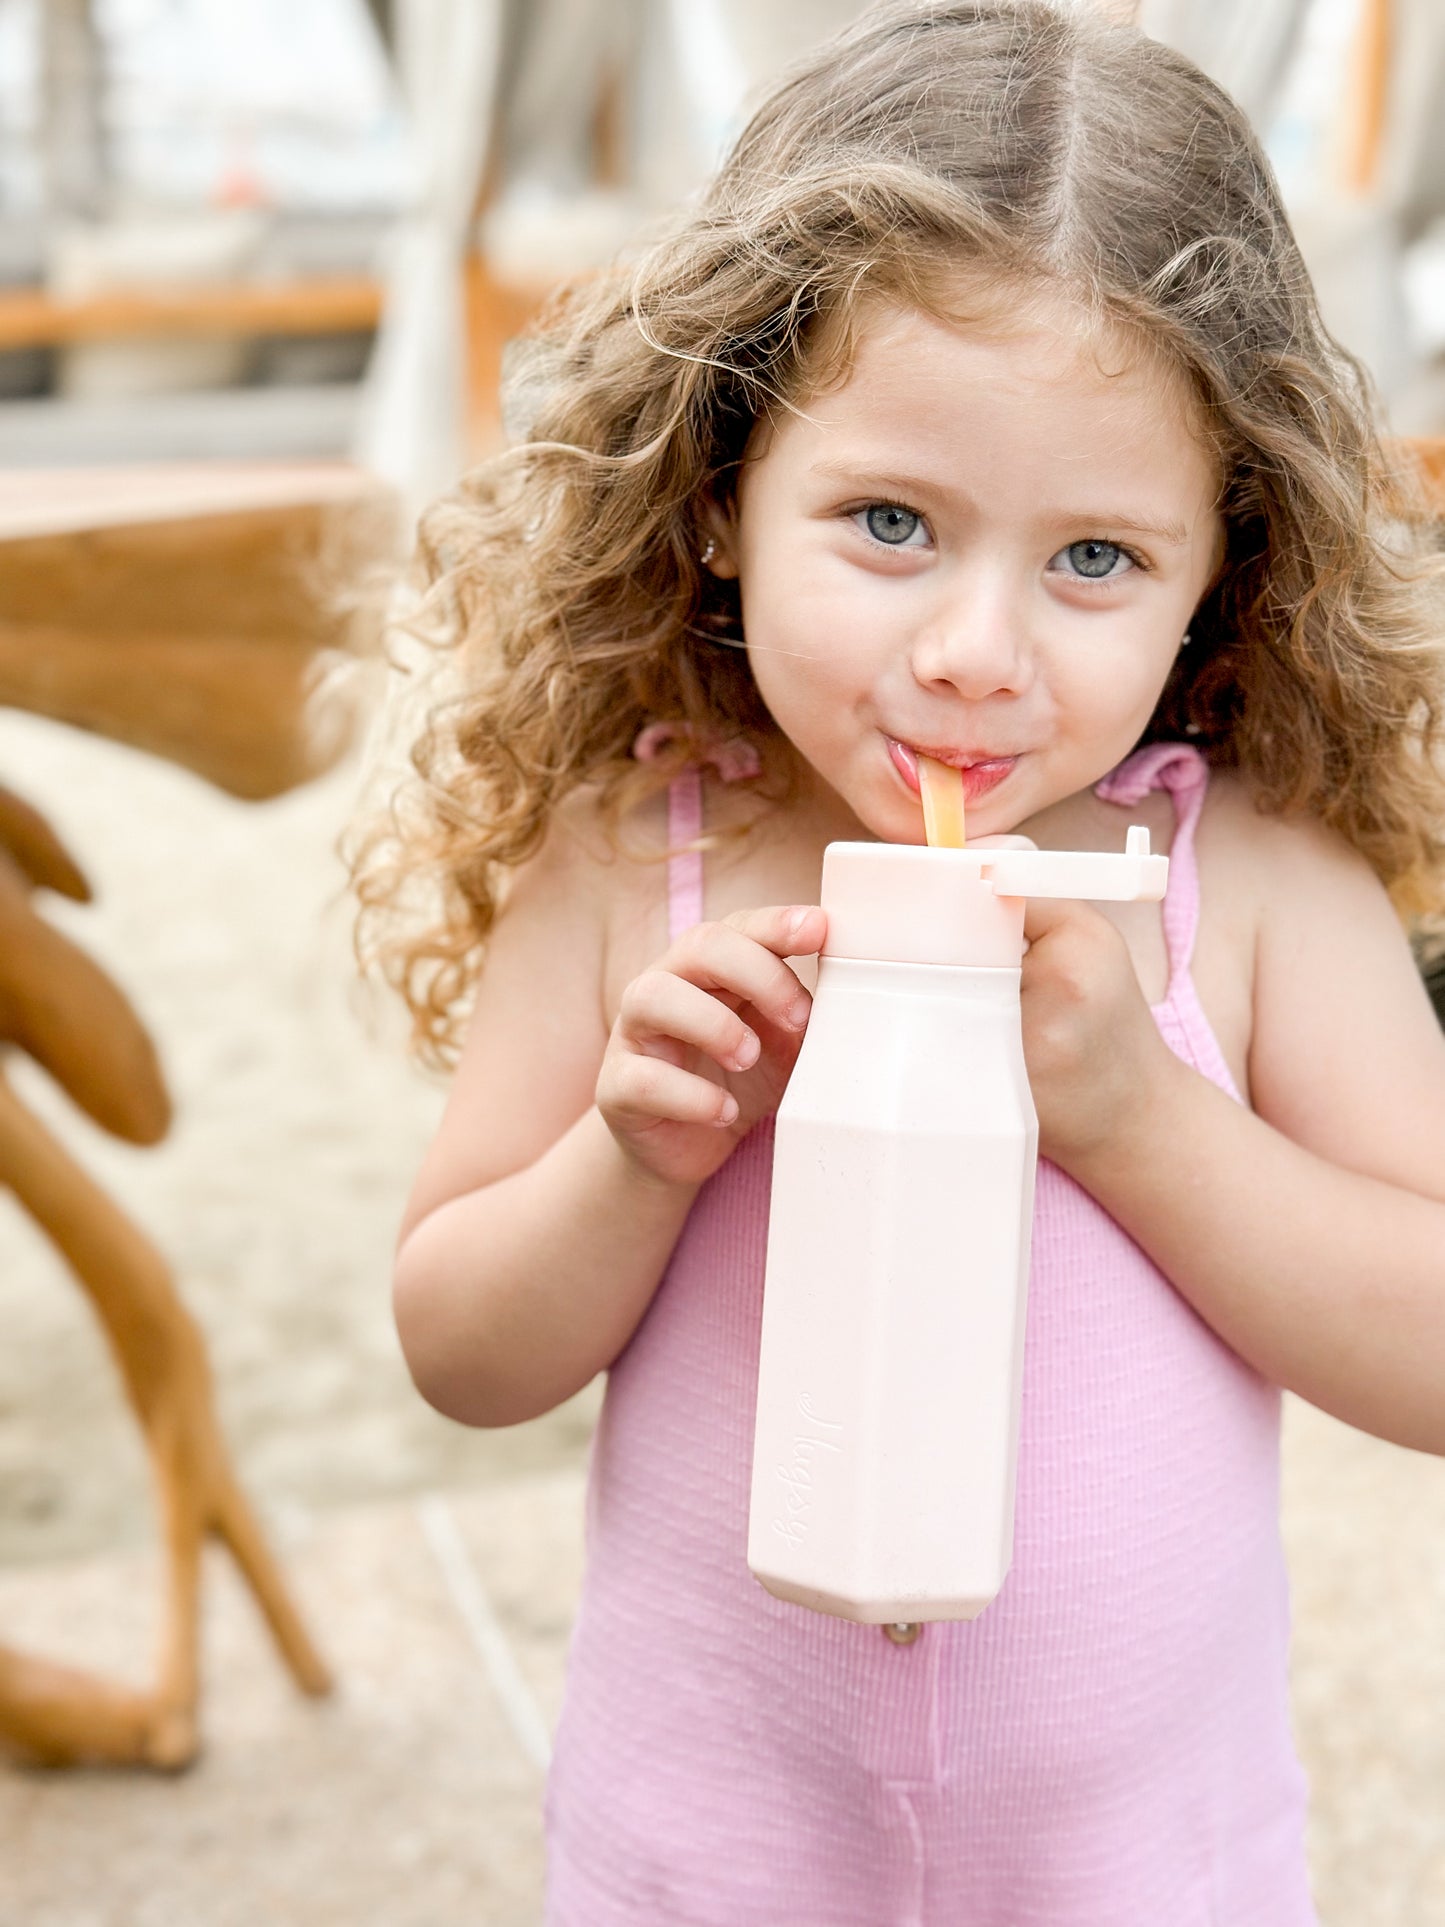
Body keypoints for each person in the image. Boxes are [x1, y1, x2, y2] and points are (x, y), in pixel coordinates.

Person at [354, 3, 1445, 1920]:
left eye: (1092, 558)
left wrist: (1140, 1124)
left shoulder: (1246, 884)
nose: (970, 648)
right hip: (708, 1857)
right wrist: (628, 1157)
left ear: (1227, 567)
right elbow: (459, 1352)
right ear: (716, 495)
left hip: (1133, 1873)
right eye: (886, 523)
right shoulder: (642, 858)